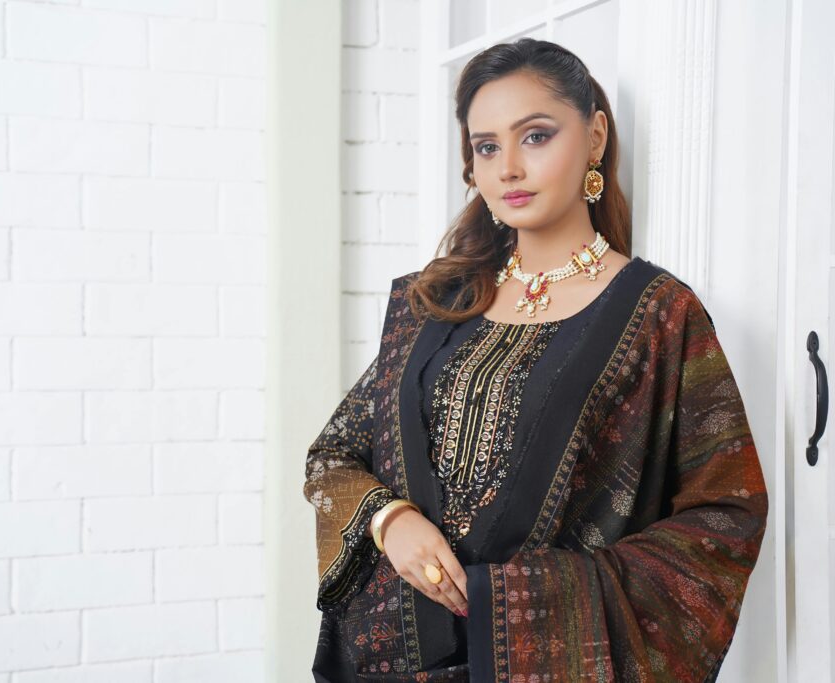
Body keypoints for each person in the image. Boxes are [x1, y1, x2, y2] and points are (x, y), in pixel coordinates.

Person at [304, 37, 768, 682]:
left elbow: (727, 511)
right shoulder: (437, 302)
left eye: (537, 136)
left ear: (596, 137)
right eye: (487, 146)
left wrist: (526, 602)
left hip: (544, 666)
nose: (507, 169)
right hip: (387, 658)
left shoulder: (659, 314)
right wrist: (391, 519)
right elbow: (331, 456)